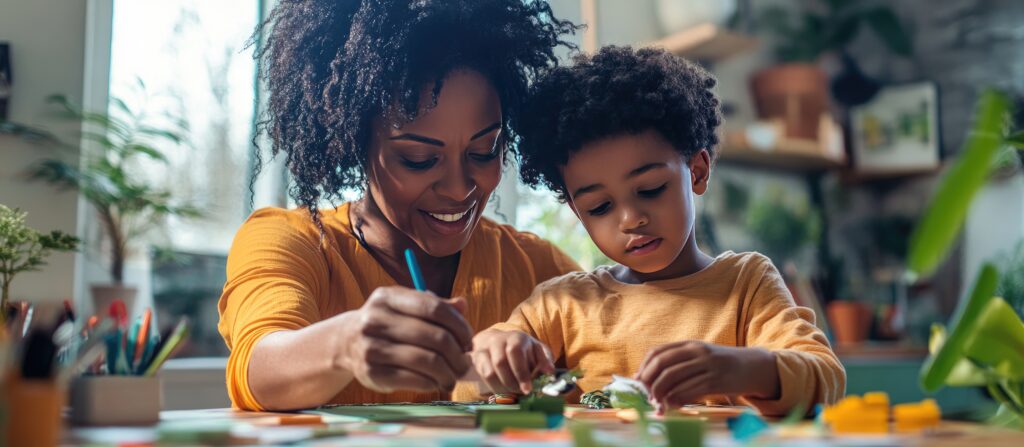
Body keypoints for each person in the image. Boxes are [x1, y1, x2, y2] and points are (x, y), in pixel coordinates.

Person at [218, 0, 579, 411]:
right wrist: (346, 345)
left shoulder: (535, 268)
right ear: (357, 141)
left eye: (484, 151)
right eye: (419, 159)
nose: (459, 189)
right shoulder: (292, 242)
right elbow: (257, 368)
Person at [468, 46, 845, 415]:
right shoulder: (562, 305)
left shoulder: (746, 285)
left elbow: (824, 377)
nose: (630, 219)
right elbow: (469, 386)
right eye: (599, 207)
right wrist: (496, 355)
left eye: (650, 190)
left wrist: (741, 368)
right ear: (577, 212)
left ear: (696, 171)